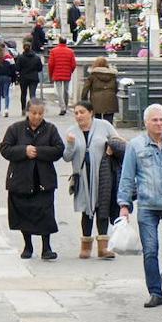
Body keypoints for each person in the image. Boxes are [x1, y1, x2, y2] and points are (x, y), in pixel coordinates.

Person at [118, 104, 162, 309]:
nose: (158, 123)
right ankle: (155, 292)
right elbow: (127, 176)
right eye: (154, 120)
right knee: (150, 250)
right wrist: (124, 204)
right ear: (146, 122)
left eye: (161, 119)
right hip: (148, 205)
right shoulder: (135, 145)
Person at [0, 98, 65, 260]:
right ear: (28, 112)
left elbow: (58, 150)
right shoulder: (15, 129)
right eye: (34, 113)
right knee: (24, 213)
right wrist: (23, 151)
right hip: (21, 179)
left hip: (43, 180)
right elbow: (5, 149)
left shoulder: (50, 129)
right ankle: (27, 246)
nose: (36, 117)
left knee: (45, 213)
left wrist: (38, 151)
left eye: (40, 113)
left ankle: (46, 247)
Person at [61, 101, 125, 260]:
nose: (78, 116)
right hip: (82, 177)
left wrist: (112, 147)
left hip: (103, 174)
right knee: (86, 210)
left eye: (82, 112)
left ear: (91, 113)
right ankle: (86, 247)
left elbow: (121, 143)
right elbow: (67, 157)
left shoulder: (104, 126)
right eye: (76, 113)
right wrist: (70, 144)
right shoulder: (72, 132)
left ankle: (103, 248)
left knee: (102, 207)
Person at [81, 56, 119, 123]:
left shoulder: (92, 75)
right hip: (110, 98)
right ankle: (108, 132)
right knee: (109, 119)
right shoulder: (112, 75)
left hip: (96, 99)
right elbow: (116, 88)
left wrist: (84, 100)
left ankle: (98, 132)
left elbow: (85, 88)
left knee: (97, 119)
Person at [47, 37, 77, 115]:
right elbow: (73, 64)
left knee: (59, 91)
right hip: (67, 72)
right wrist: (71, 71)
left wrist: (51, 74)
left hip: (57, 73)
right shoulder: (70, 51)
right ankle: (66, 106)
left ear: (59, 42)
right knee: (66, 91)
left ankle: (62, 107)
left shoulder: (53, 51)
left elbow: (51, 64)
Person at [0, 43, 18, 117]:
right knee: (6, 94)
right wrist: (13, 79)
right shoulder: (9, 57)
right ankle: (6, 109)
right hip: (7, 77)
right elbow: (13, 69)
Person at [15, 41, 43, 111]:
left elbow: (17, 68)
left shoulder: (20, 58)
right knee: (32, 94)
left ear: (23, 48)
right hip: (34, 77)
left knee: (23, 94)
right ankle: (33, 108)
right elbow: (40, 68)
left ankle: (23, 109)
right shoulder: (36, 58)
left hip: (23, 78)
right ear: (31, 48)